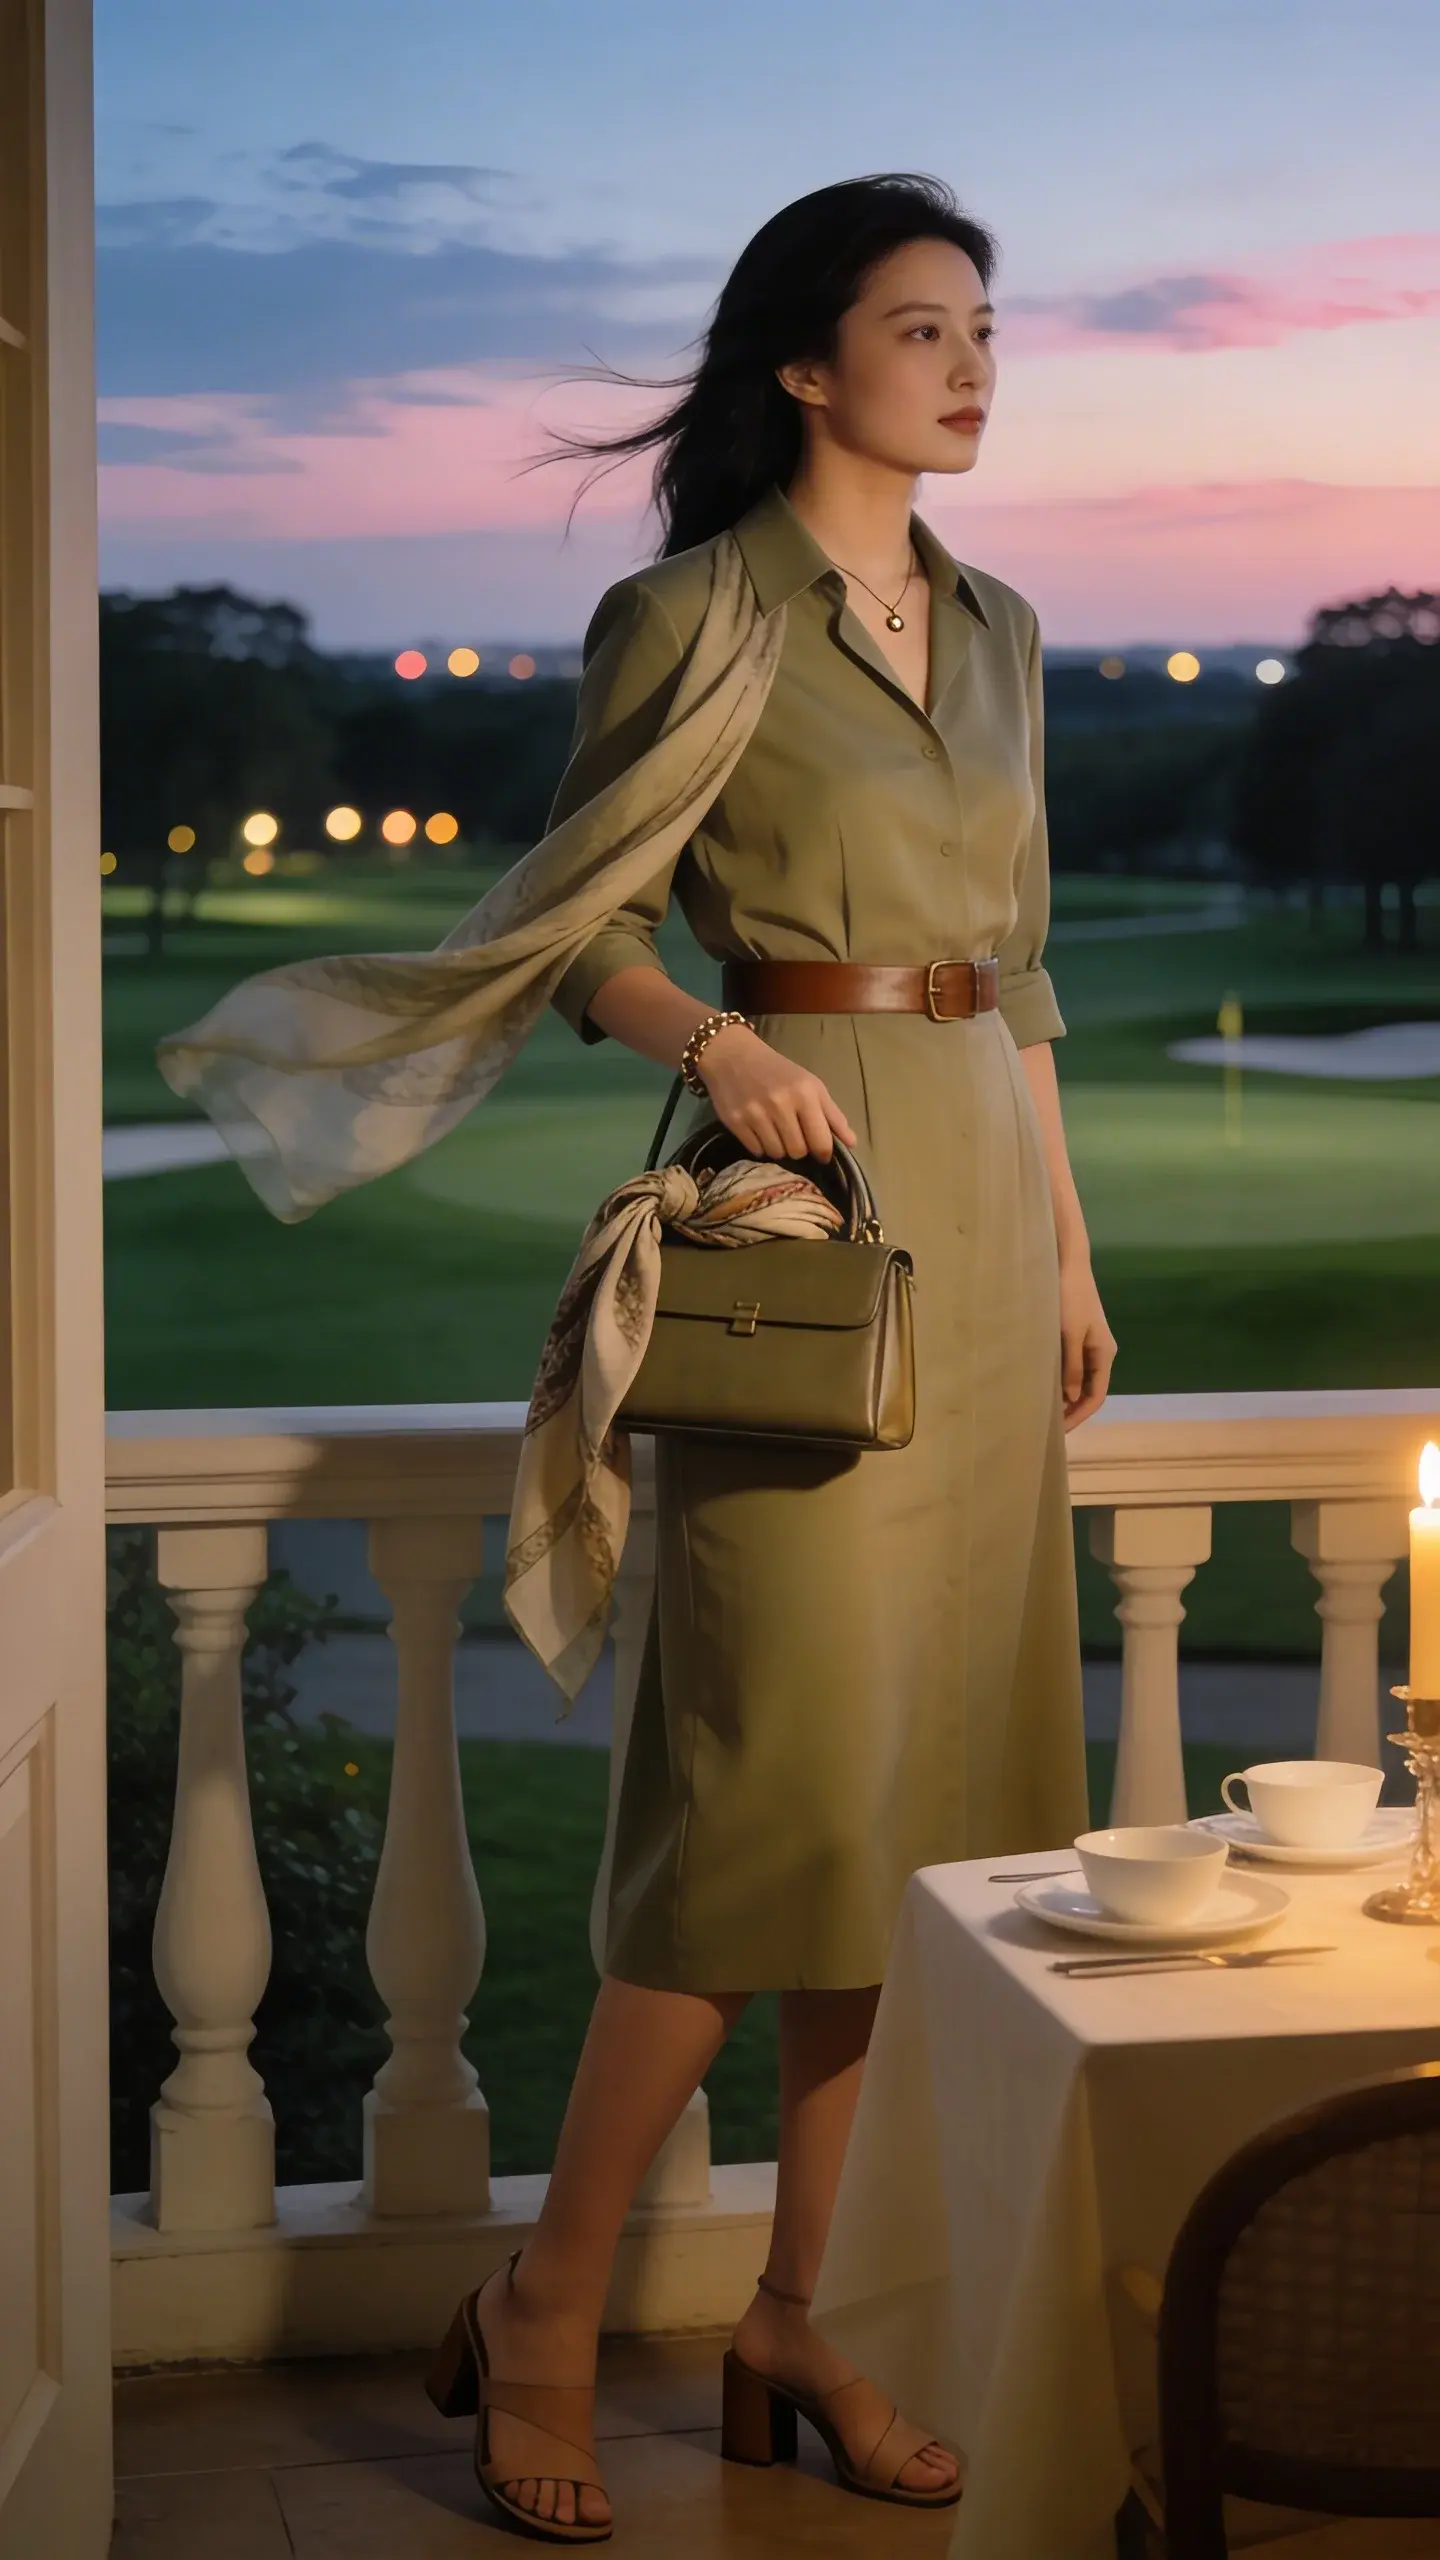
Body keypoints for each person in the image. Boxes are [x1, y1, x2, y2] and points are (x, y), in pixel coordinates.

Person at [421, 172, 1116, 2543]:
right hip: (803, 1229)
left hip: (992, 1233)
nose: (973, 360)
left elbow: (1015, 973)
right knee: (754, 1810)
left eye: (987, 326)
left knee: (921, 1836)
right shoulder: (693, 613)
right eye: (923, 326)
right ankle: (546, 2302)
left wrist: (1077, 1250)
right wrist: (717, 1045)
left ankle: (801, 2311)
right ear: (804, 365)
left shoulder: (1007, 626)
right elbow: (578, 921)